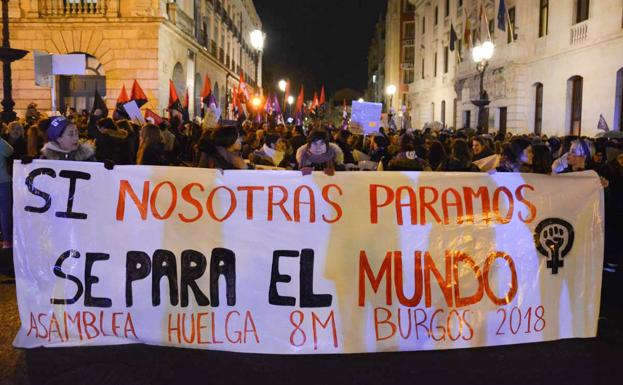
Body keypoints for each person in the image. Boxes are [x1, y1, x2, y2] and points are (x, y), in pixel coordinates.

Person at [0, 136, 13, 248]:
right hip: (3, 181)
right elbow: (9, 151)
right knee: (5, 212)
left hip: (3, 181)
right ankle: (7, 240)